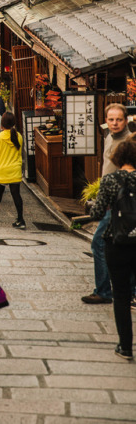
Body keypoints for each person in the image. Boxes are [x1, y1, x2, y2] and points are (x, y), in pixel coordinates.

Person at [87, 138, 136, 360]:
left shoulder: (110, 180)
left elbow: (96, 214)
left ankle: (125, 346)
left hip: (117, 242)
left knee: (122, 296)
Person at [82, 103, 133, 305]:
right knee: (114, 243)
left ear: (126, 120)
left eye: (118, 119)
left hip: (121, 202)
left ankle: (105, 290)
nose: (114, 123)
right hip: (110, 199)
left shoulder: (130, 141)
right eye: (110, 119)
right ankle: (115, 290)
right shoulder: (109, 136)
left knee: (102, 243)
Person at [0, 112, 25, 228]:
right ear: (14, 123)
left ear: (2, 124)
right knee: (16, 195)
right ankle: (20, 219)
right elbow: (19, 154)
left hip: (1, 170)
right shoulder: (18, 136)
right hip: (15, 169)